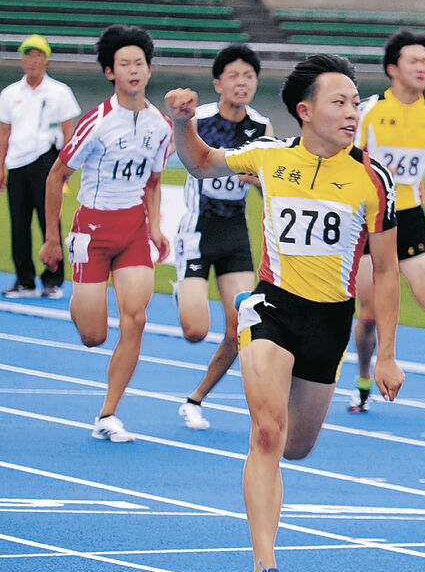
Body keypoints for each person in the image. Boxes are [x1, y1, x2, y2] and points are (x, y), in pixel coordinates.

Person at [165, 53, 404, 572]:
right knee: (267, 432)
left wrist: (387, 356)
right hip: (272, 307)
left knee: (297, 446)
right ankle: (265, 570)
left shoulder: (374, 178)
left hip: (331, 320)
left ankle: (268, 546)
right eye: (338, 102)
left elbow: (388, 270)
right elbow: (201, 162)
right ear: (305, 110)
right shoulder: (269, 158)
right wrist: (181, 123)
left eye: (355, 102)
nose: (351, 112)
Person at [40, 24, 172, 442]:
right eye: (124, 64)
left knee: (136, 319)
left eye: (140, 63)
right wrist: (50, 238)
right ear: (109, 72)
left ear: (149, 70)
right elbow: (57, 174)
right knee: (94, 336)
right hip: (92, 231)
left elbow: (153, 182)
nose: (134, 71)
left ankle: (108, 414)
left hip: (132, 229)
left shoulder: (161, 127)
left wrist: (155, 227)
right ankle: (82, 301)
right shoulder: (96, 123)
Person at [349, 28, 425, 413]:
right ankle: (365, 377)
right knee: (367, 316)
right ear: (392, 68)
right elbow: (347, 159)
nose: (422, 67)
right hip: (367, 219)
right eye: (414, 61)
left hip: (410, 217)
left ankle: (391, 284)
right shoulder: (368, 111)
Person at [174, 44, 273, 431]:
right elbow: (185, 158)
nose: (242, 82)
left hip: (235, 232)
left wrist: (258, 180)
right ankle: (185, 287)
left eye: (249, 76)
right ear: (218, 83)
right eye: (233, 75)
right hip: (198, 229)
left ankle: (195, 399)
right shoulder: (196, 119)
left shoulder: (261, 128)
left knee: (241, 327)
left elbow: (272, 185)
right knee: (196, 330)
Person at [0, 33, 81, 298]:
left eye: (38, 55)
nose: (32, 61)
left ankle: (52, 279)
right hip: (17, 162)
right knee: (18, 223)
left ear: (46, 60)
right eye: (28, 55)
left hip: (47, 160)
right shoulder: (10, 94)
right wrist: (1, 167)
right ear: (22, 60)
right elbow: (4, 133)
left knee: (49, 220)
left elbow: (69, 132)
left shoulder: (60, 92)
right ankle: (24, 280)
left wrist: (66, 168)